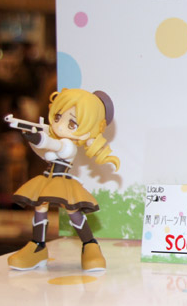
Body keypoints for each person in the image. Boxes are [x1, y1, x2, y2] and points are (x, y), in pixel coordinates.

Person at [8, 88, 119, 271]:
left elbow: (54, 145)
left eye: (72, 123)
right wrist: (34, 138)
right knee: (40, 207)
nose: (60, 126)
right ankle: (37, 245)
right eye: (58, 117)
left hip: (62, 181)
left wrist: (39, 139)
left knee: (73, 210)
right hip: (48, 178)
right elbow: (45, 149)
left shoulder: (68, 146)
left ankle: (90, 245)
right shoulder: (56, 137)